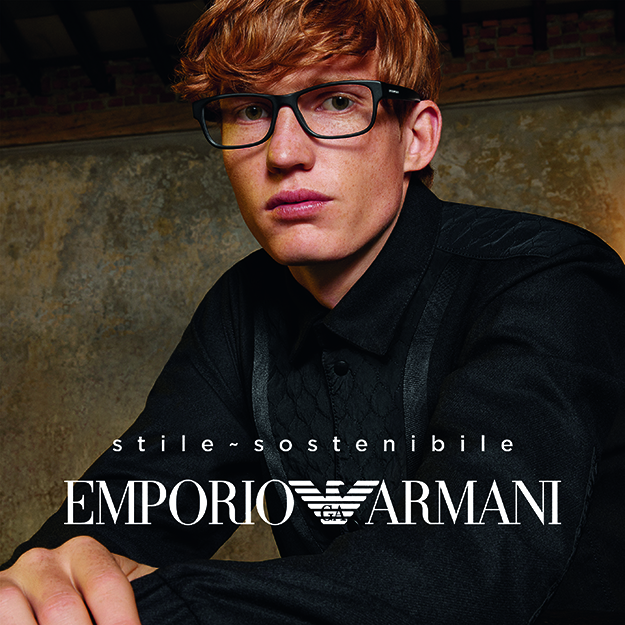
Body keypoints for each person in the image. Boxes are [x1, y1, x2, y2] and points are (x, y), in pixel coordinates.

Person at [1, 0, 624, 623]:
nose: (284, 152)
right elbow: (113, 523)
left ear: (415, 138)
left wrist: (152, 602)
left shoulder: (549, 276)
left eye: (336, 102)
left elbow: (462, 572)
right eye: (249, 110)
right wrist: (41, 587)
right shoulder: (241, 307)